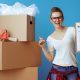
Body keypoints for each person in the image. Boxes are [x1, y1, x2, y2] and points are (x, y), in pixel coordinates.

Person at [38, 7, 79, 80]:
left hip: (72, 69)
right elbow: (51, 58)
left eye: (59, 17)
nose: (57, 20)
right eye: (54, 18)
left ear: (62, 18)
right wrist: (43, 47)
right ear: (51, 20)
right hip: (57, 69)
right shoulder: (50, 38)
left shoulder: (72, 30)